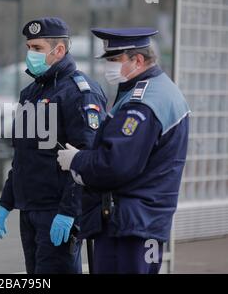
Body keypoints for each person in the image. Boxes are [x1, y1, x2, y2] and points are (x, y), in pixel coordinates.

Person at [57, 28, 190, 274]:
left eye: (115, 60)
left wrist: (77, 161)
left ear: (138, 60)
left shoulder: (143, 103)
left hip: (129, 226)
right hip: (143, 221)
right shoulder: (158, 90)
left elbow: (116, 164)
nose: (109, 66)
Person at [0, 17, 107, 273]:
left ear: (59, 51)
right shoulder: (31, 93)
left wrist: (69, 211)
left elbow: (86, 158)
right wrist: (6, 201)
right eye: (29, 47)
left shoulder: (80, 93)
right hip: (31, 208)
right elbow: (22, 155)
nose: (30, 54)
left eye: (37, 48)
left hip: (57, 211)